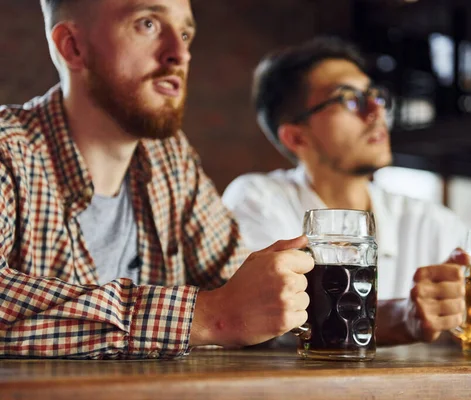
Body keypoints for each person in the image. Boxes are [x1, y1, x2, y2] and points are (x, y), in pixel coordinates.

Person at [0, 0, 314, 359]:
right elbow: (225, 311)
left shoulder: (169, 159)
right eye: (147, 24)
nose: (179, 54)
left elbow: (237, 287)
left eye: (184, 33)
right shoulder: (8, 151)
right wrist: (209, 316)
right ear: (72, 46)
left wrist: (378, 317)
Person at [222, 37, 471, 348]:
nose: (376, 111)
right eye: (349, 99)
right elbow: (264, 322)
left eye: (375, 96)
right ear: (296, 138)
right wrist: (406, 318)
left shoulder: (422, 218)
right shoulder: (258, 199)